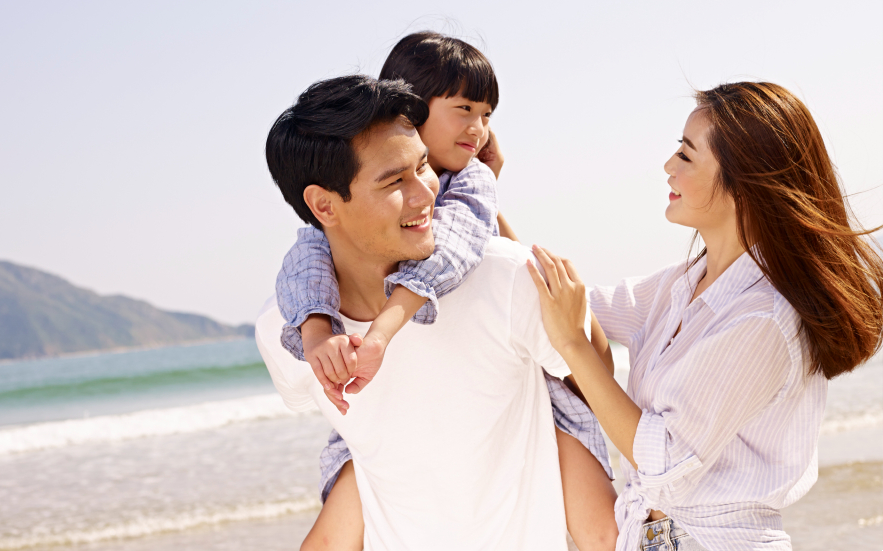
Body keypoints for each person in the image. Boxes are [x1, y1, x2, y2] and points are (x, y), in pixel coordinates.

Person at [274, 32, 617, 550]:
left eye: (487, 115)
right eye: (464, 110)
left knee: (600, 518)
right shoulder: (342, 213)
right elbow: (306, 255)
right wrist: (317, 330)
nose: (478, 129)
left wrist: (384, 328)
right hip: (392, 429)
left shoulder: (473, 187)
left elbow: (464, 246)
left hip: (525, 382)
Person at [526, 80, 883, 550]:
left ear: (745, 184)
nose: (668, 166)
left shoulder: (763, 319)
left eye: (687, 156)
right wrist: (488, 208)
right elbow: (570, 303)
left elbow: (665, 459)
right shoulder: (684, 283)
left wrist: (575, 346)